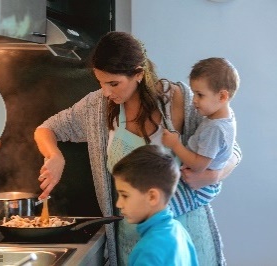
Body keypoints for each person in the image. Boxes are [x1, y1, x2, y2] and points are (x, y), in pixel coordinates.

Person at [34, 31, 242, 266]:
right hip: (133, 242)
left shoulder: (180, 99)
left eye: (114, 83)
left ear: (139, 74)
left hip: (186, 235)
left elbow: (231, 148)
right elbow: (46, 129)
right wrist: (54, 156)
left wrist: (214, 174)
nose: (106, 92)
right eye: (101, 82)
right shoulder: (97, 107)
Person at [162, 57, 240, 212]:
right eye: (193, 93)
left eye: (200, 95)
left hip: (199, 189)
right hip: (201, 181)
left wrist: (175, 144)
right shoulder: (223, 115)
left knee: (162, 211)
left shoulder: (216, 129)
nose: (194, 101)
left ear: (222, 96)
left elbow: (198, 166)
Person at [112, 144, 199, 266]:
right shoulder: (179, 230)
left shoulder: (148, 251)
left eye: (125, 195)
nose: (119, 204)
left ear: (152, 197)